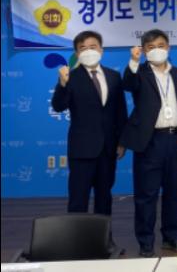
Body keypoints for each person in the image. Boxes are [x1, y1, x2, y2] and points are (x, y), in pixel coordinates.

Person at [119, 29, 177, 257]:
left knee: (173, 193)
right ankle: (145, 242)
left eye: (161, 45)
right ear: (144, 51)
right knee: (146, 195)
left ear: (168, 47)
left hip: (175, 139)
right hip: (150, 141)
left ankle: (171, 238)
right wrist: (134, 62)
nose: (157, 50)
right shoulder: (139, 73)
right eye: (151, 47)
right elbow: (128, 84)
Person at [51, 31, 127, 224]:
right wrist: (62, 84)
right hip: (82, 149)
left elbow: (120, 111)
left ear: (101, 49)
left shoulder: (114, 76)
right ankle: (77, 240)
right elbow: (58, 106)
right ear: (77, 53)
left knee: (104, 198)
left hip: (108, 149)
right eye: (83, 48)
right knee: (78, 199)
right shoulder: (71, 77)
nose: (88, 51)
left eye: (93, 47)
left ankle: (104, 238)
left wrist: (121, 142)